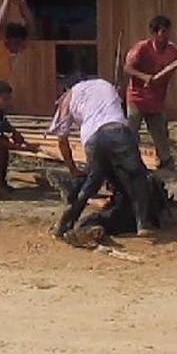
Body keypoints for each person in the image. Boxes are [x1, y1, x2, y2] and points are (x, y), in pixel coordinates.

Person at [48, 78, 157, 238]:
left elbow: (61, 138)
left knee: (91, 182)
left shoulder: (68, 97)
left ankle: (64, 225)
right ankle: (143, 223)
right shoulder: (105, 85)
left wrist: (72, 168)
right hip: (119, 131)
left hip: (93, 138)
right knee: (137, 177)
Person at [123, 15, 177, 169]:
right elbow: (127, 68)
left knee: (160, 132)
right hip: (137, 98)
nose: (166, 34)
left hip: (156, 100)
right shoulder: (141, 48)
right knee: (132, 133)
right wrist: (144, 77)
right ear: (155, 33)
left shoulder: (172, 50)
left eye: (167, 31)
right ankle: (129, 163)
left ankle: (165, 161)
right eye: (163, 31)